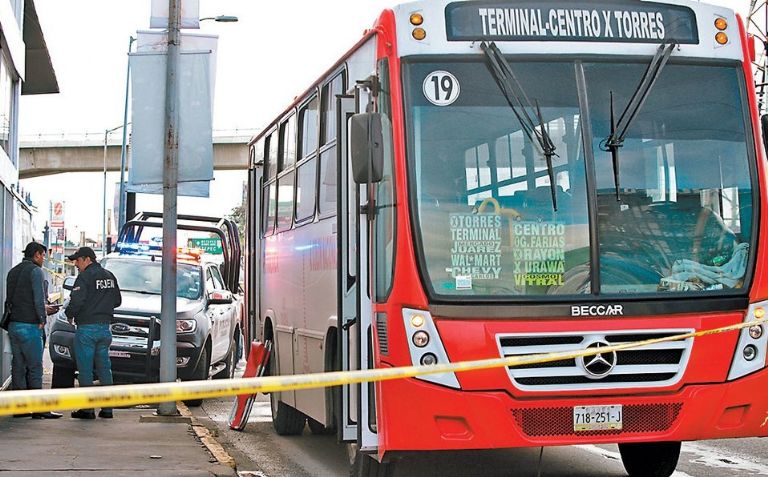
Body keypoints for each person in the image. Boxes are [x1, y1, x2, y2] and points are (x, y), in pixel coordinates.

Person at [5, 242, 62, 419]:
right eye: (43, 255)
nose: (44, 259)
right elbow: (38, 299)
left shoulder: (13, 271)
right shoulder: (36, 271)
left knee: (18, 366)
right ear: (36, 254)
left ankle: (19, 408)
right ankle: (39, 409)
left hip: (14, 324)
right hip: (30, 325)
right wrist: (42, 318)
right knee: (35, 367)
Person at [64, 246, 122, 419]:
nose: (76, 264)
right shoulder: (109, 276)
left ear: (87, 259)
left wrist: (69, 314)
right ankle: (108, 409)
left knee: (85, 370)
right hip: (105, 329)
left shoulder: (85, 277)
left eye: (78, 260)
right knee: (104, 369)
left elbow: (77, 300)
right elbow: (117, 300)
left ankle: (87, 410)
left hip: (87, 329)